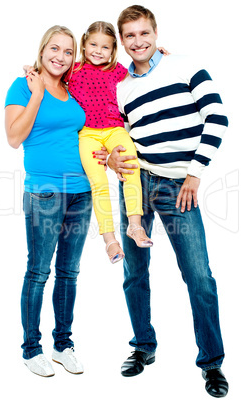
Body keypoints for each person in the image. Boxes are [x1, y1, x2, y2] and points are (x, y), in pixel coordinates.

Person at [107, 5, 229, 398]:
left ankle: (211, 363)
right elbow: (120, 137)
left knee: (199, 277)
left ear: (155, 34)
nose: (138, 42)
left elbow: (217, 118)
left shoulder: (186, 66)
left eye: (144, 33)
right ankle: (143, 347)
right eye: (130, 36)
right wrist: (111, 158)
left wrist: (194, 173)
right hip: (137, 183)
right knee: (135, 271)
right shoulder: (122, 88)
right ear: (122, 42)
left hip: (179, 186)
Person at [5, 25, 93, 377]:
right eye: (54, 49)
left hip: (82, 192)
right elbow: (13, 137)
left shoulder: (73, 89)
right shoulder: (23, 86)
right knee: (39, 271)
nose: (60, 56)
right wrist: (37, 94)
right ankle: (31, 349)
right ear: (42, 51)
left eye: (68, 51)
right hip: (44, 192)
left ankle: (63, 344)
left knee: (69, 272)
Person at [68, 21, 154, 264]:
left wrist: (161, 55)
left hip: (114, 129)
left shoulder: (119, 71)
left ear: (113, 49)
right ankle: (109, 240)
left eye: (105, 47)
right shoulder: (72, 71)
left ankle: (135, 226)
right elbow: (50, 72)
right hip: (88, 134)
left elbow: (145, 74)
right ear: (84, 45)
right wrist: (30, 69)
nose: (98, 50)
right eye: (93, 44)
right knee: (98, 184)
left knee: (131, 168)